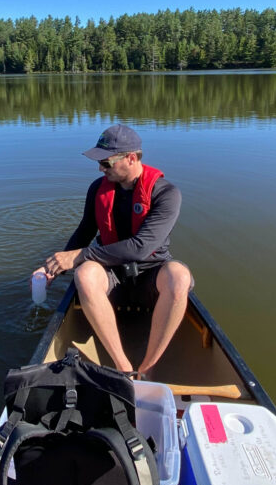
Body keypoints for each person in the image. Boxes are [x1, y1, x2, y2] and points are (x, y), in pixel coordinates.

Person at [43, 124, 193, 378]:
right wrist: (55, 266)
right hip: (110, 276)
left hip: (150, 277)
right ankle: (123, 366)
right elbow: (85, 231)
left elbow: (140, 247)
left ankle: (148, 366)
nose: (101, 168)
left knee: (179, 275)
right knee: (85, 274)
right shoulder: (97, 189)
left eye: (106, 162)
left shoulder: (167, 194)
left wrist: (79, 255)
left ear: (131, 158)